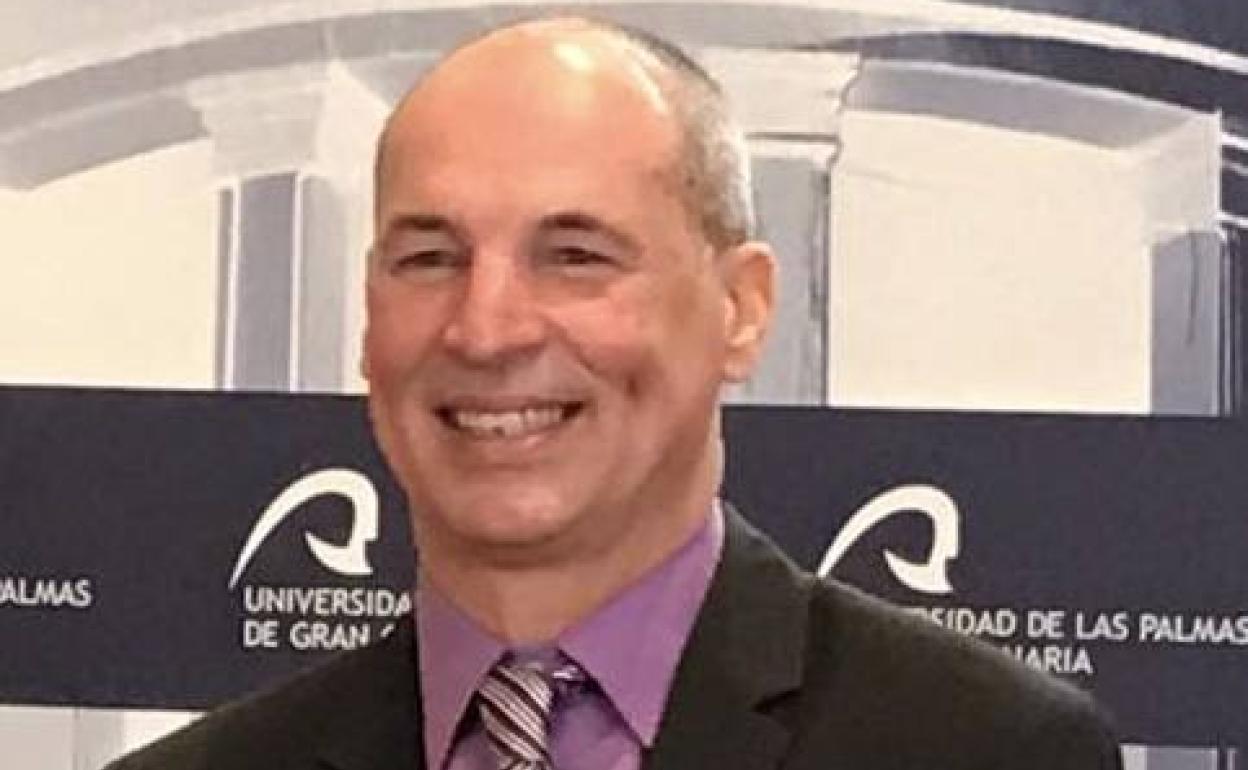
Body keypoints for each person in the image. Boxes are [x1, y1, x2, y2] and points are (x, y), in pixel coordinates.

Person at [108, 15, 1122, 770]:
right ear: (369, 314)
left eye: (575, 255)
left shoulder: (983, 748)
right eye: (429, 257)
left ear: (741, 309)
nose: (487, 329)